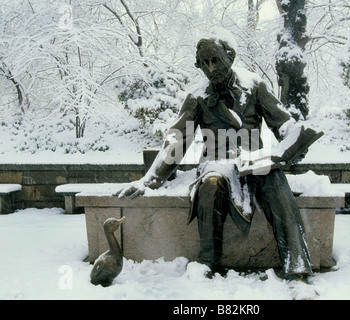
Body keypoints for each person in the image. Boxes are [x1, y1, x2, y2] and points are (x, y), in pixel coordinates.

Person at [117, 31, 323, 283]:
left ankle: (297, 268)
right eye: (204, 63)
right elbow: (178, 140)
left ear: (230, 56)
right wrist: (149, 180)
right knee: (211, 184)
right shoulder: (198, 96)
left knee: (276, 182)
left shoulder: (254, 86)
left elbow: (283, 123)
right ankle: (207, 260)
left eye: (215, 60)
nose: (210, 68)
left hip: (253, 160)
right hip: (217, 161)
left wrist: (296, 140)